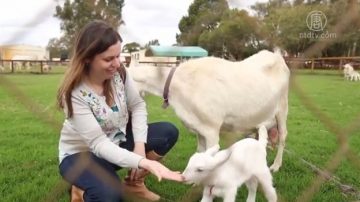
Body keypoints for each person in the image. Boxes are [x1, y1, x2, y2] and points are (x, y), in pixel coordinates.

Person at [57, 20, 183, 202]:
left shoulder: (119, 73)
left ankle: (134, 186)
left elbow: (138, 105)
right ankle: (81, 192)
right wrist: (143, 162)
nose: (117, 63)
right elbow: (99, 144)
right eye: (109, 59)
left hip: (116, 141)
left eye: (118, 56)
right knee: (111, 195)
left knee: (167, 133)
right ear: (87, 59)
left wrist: (139, 147)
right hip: (80, 155)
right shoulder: (75, 93)